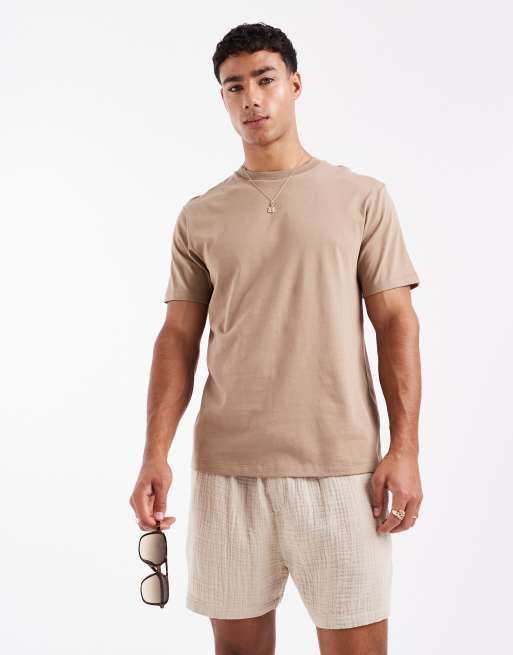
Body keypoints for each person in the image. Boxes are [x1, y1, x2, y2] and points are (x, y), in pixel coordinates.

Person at [129, 21, 423, 655]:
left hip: (342, 470)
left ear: (295, 84)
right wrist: (155, 453)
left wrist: (405, 449)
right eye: (234, 87)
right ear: (222, 98)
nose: (252, 99)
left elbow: (396, 322)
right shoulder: (201, 215)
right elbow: (177, 337)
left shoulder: (361, 198)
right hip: (227, 470)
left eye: (264, 80)